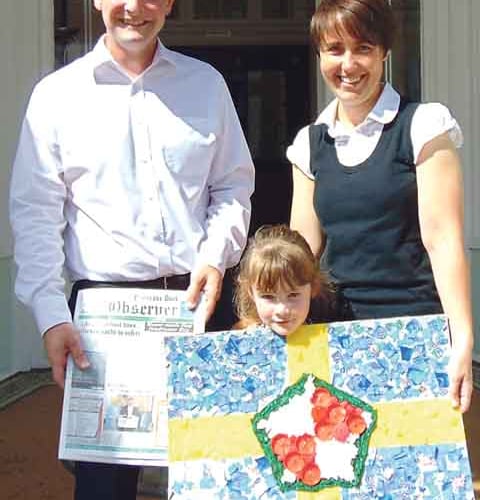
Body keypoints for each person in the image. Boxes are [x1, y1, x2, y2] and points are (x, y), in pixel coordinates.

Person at [9, 0, 254, 498]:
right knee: (105, 488)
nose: (135, 8)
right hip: (103, 323)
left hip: (195, 307)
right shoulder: (57, 97)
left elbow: (233, 186)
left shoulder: (206, 85)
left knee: (209, 480)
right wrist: (51, 316)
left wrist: (215, 256)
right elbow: (35, 214)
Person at [288, 0, 473, 412]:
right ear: (319, 54)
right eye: (335, 49)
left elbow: (443, 241)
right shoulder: (309, 143)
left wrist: (461, 337)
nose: (348, 64)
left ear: (384, 53)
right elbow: (301, 254)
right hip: (334, 337)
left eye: (363, 48)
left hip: (414, 337)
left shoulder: (423, 125)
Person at [234, 225, 335, 336]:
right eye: (268, 296)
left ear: (313, 287)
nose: (282, 310)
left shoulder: (330, 334)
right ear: (251, 292)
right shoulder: (240, 337)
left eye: (293, 295)